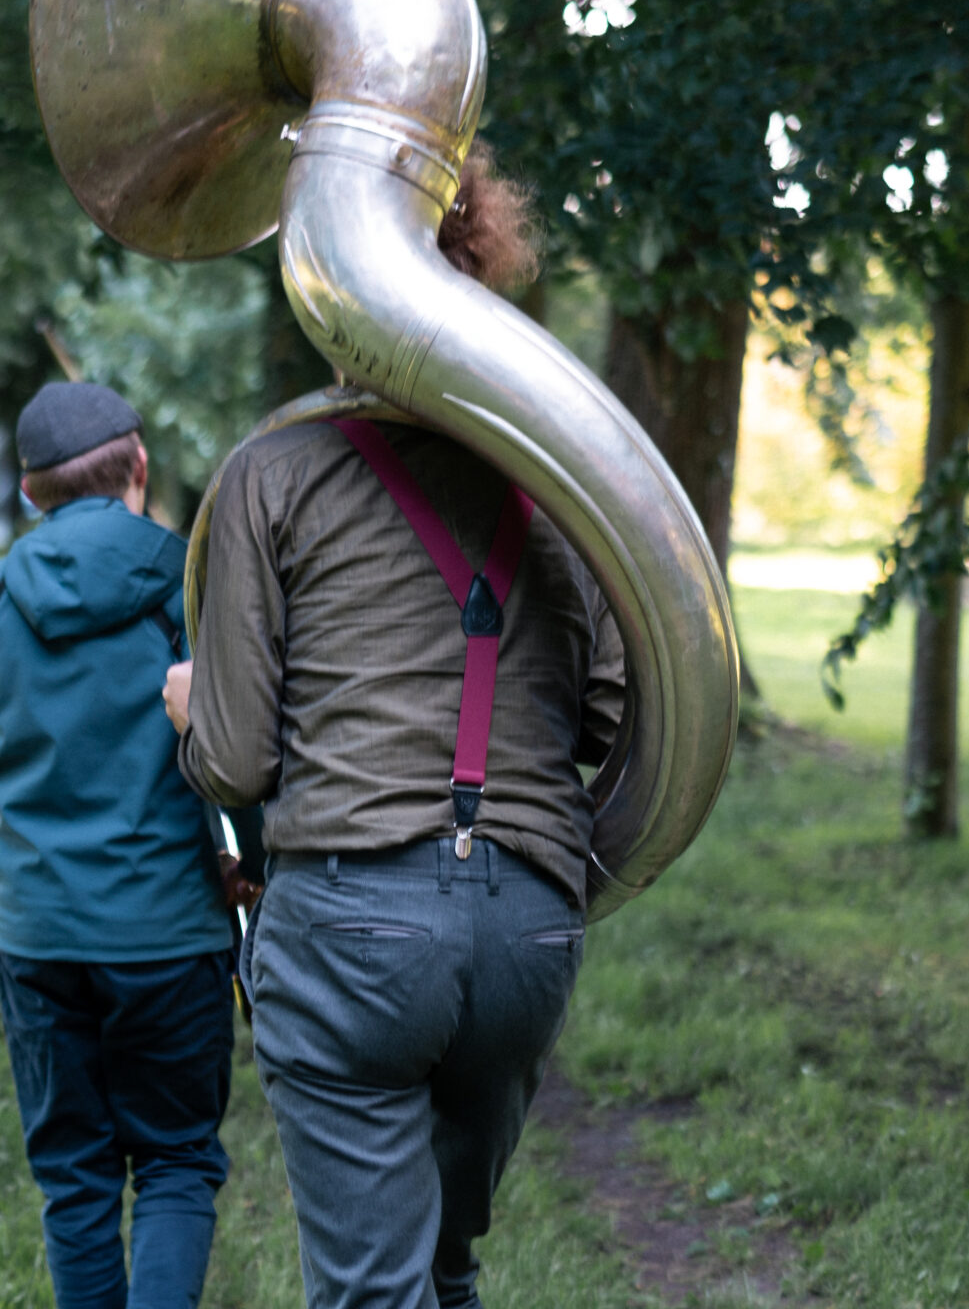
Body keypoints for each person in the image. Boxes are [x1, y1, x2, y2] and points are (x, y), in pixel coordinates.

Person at [168, 159, 626, 1309]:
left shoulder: (271, 472)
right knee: (442, 1267)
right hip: (530, 928)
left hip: (352, 921)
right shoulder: (566, 486)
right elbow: (615, 714)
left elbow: (235, 762)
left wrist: (192, 711)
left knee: (378, 1289)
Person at [0, 382, 238, 1309]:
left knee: (74, 1176)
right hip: (169, 930)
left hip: (38, 935)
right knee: (176, 1160)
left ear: (28, 490)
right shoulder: (192, 582)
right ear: (139, 466)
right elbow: (239, 749)